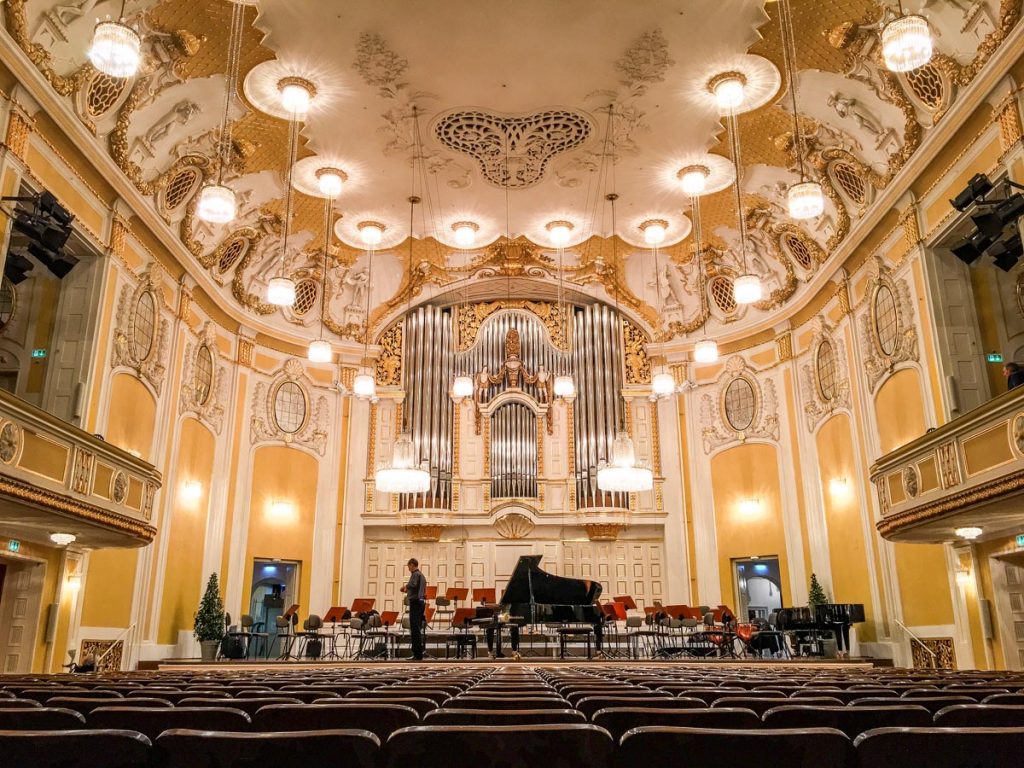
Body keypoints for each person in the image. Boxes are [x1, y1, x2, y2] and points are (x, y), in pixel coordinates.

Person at [400, 557, 427, 660]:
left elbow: (413, 585)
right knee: (417, 628)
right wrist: (408, 590)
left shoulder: (415, 574)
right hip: (419, 602)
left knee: (415, 629)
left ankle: (417, 654)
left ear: (412, 565)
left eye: (408, 566)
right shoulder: (421, 575)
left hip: (415, 603)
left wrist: (405, 587)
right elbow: (416, 589)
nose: (408, 568)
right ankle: (417, 653)